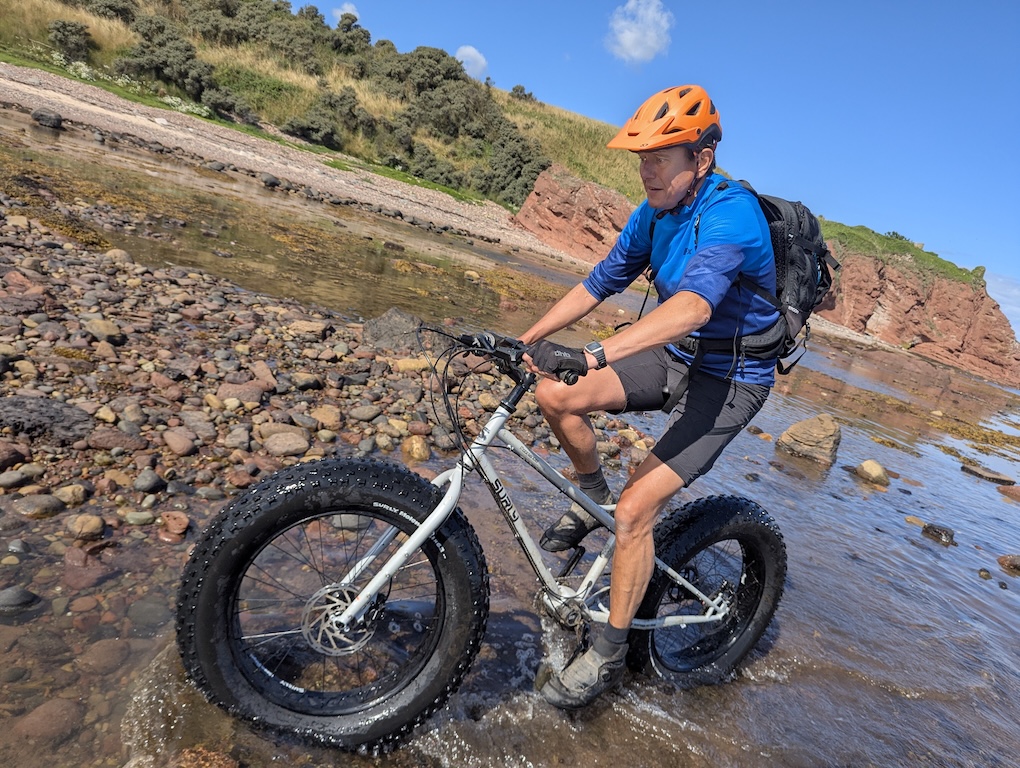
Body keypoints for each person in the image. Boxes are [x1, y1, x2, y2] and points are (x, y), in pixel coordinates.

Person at [519, 84, 780, 709]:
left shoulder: (731, 214)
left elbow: (692, 308)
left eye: (661, 158)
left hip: (732, 378)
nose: (647, 171)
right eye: (643, 158)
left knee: (636, 511)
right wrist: (526, 340)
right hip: (676, 356)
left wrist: (592, 354)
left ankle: (609, 655)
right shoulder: (655, 213)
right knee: (554, 394)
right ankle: (590, 496)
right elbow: (599, 282)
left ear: (702, 159)